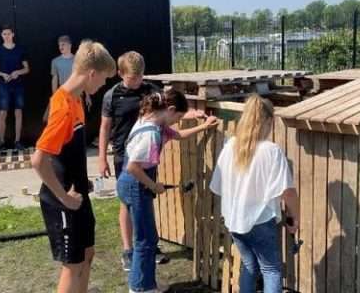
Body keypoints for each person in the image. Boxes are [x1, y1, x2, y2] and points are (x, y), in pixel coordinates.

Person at [31, 40, 116, 293]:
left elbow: (67, 151)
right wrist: (64, 197)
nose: (102, 85)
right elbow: (38, 161)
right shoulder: (63, 108)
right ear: (92, 74)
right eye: (103, 79)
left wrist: (80, 179)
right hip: (63, 200)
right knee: (73, 265)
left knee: (87, 254)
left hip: (78, 194)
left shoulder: (76, 100)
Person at [117, 90, 218, 293]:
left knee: (148, 237)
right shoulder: (151, 134)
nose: (178, 122)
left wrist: (203, 126)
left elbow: (178, 135)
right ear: (170, 110)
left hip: (133, 184)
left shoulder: (153, 123)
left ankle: (146, 283)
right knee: (145, 240)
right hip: (136, 184)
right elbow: (133, 167)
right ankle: (140, 288)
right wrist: (153, 185)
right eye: (178, 117)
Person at [209, 95, 299, 293]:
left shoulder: (230, 146)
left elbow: (217, 185)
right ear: (268, 121)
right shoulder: (271, 151)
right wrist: (295, 217)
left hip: (234, 220)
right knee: (271, 269)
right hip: (261, 220)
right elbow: (288, 192)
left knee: (249, 266)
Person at [98, 51, 161, 270]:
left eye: (140, 77)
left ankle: (151, 245)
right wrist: (102, 158)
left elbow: (169, 109)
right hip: (123, 156)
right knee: (126, 201)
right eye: (132, 78)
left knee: (147, 197)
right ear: (120, 73)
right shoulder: (112, 95)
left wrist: (191, 114)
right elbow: (105, 127)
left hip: (146, 156)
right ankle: (128, 250)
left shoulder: (151, 90)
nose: (137, 82)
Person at [0, 24, 30, 151]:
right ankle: (1, 141)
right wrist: (2, 74)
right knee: (3, 113)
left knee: (18, 112)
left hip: (18, 85)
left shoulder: (20, 49)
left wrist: (18, 72)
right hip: (4, 85)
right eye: (4, 34)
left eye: (8, 33)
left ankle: (17, 141)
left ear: (13, 34)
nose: (7, 36)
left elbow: (27, 68)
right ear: (1, 35)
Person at [44, 35, 75, 123]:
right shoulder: (55, 61)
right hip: (62, 92)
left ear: (69, 45)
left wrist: (87, 95)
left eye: (63, 45)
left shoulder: (77, 60)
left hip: (75, 92)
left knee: (74, 119)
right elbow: (55, 78)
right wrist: (54, 95)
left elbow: (82, 77)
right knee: (53, 118)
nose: (60, 47)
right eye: (59, 45)